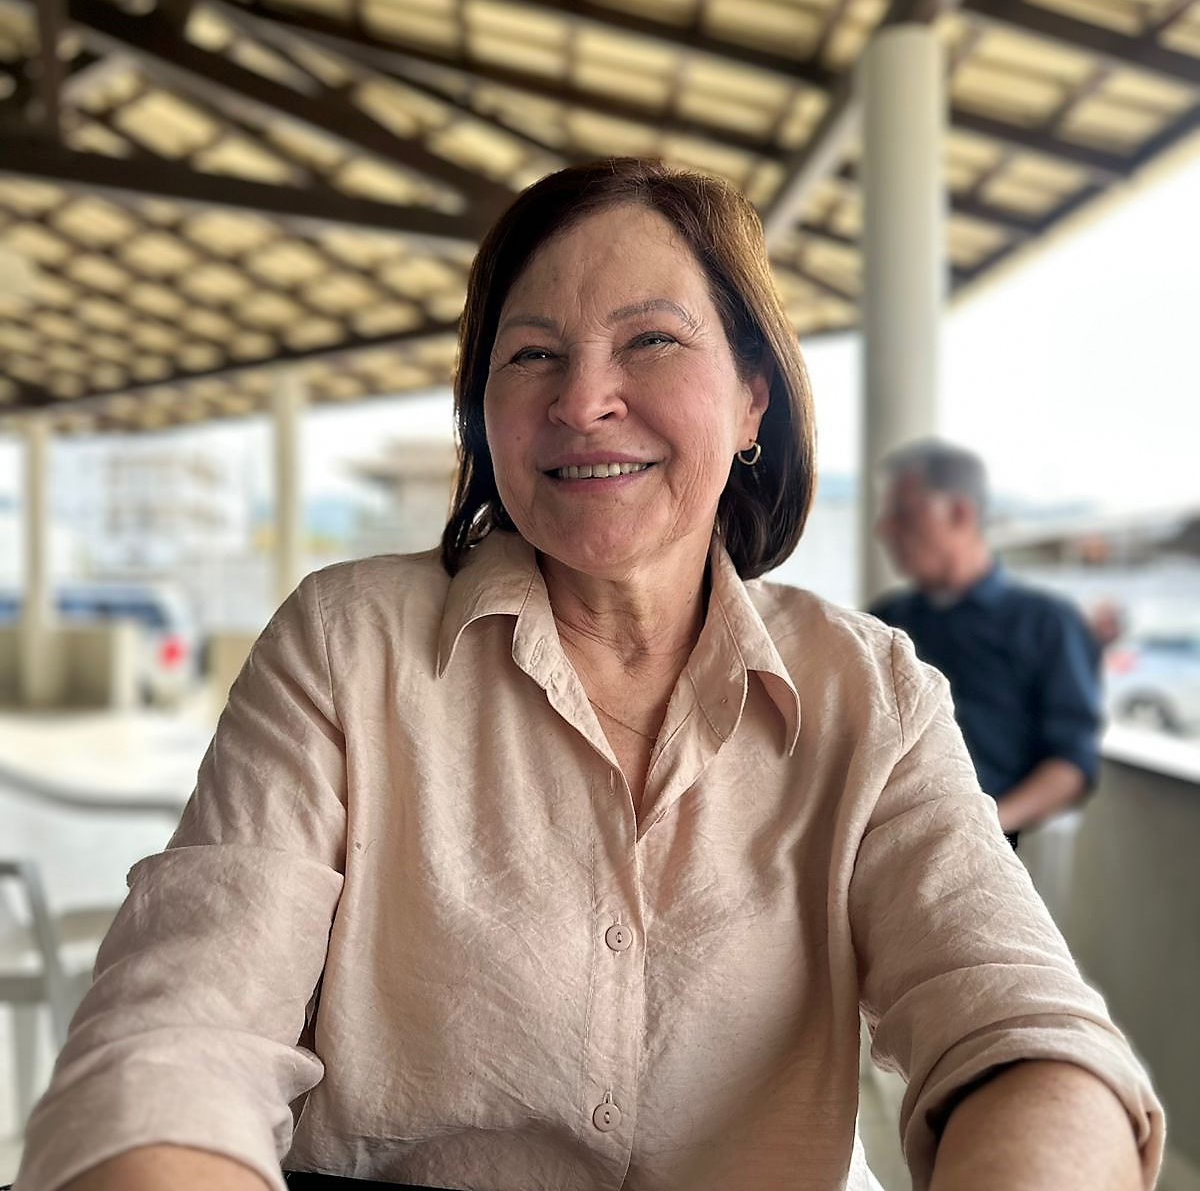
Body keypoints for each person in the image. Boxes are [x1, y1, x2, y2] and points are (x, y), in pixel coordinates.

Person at [17, 161, 1161, 1191]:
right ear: (485, 415)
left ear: (753, 396)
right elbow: (183, 1036)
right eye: (531, 355)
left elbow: (1022, 1029)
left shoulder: (874, 691)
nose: (581, 399)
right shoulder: (346, 641)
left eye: (650, 340)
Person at [871, 441, 1102, 844]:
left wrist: (986, 825)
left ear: (959, 513)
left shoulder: (1046, 624)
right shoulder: (885, 620)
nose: (884, 529)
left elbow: (1071, 762)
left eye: (904, 515)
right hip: (877, 829)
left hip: (979, 837)